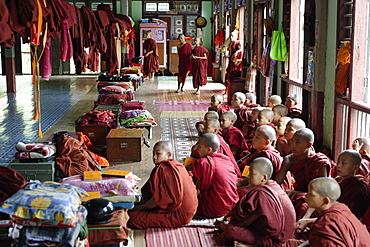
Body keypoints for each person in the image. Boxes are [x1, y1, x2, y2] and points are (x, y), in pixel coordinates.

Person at [217, 157, 296, 246]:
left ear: (264, 177)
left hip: (275, 239)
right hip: (271, 229)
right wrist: (225, 218)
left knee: (231, 232)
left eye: (251, 174)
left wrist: (231, 227)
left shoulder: (262, 194)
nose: (248, 176)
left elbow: (248, 222)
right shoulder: (271, 184)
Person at [127, 141, 198, 228]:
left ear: (169, 154)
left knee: (132, 218)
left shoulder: (164, 169)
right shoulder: (177, 165)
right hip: (191, 210)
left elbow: (157, 200)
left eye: (158, 154)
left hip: (179, 215)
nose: (154, 157)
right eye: (153, 154)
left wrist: (140, 208)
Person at [290, 177, 369, 247]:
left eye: (311, 194)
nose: (305, 196)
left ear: (325, 200)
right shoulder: (340, 207)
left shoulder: (325, 228)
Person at [275, 128, 332, 218]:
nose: (293, 145)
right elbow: (277, 183)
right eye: (292, 141)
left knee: (302, 205)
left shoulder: (320, 162)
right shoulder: (289, 160)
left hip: (317, 197)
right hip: (300, 194)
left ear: (309, 145)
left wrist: (295, 192)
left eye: (297, 142)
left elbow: (322, 191)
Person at [192, 133, 239, 218]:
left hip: (213, 208)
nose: (197, 148)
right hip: (231, 206)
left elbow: (197, 190)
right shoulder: (226, 159)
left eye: (199, 146)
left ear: (209, 150)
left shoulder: (203, 163)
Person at [238, 125, 292, 191]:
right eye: (254, 136)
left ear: (267, 142)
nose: (253, 139)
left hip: (274, 189)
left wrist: (239, 184)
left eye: (257, 137)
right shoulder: (259, 150)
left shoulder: (266, 155)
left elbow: (257, 181)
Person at [335, 150, 369, 219]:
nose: (338, 165)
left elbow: (351, 214)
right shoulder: (338, 180)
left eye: (343, 163)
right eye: (338, 162)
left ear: (355, 167)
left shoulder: (358, 188)